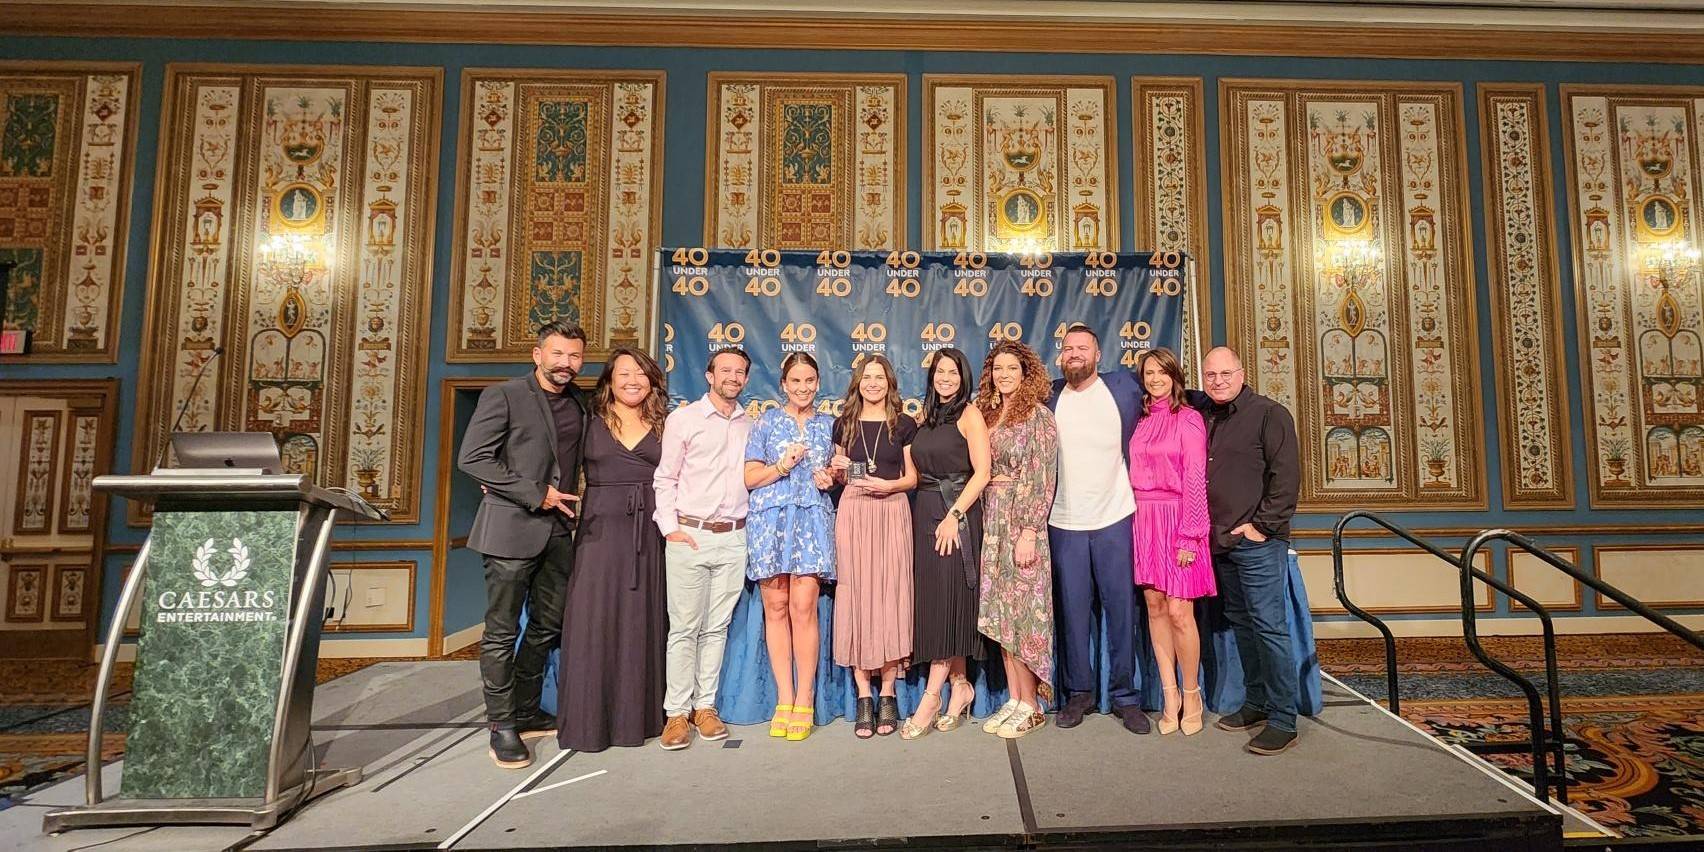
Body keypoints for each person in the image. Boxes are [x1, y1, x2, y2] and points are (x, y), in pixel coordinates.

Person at [457, 320, 589, 769]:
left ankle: (528, 709)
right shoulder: (505, 395)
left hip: (559, 534)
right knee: (501, 631)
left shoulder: (579, 405)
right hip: (511, 530)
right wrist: (536, 493)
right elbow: (473, 458)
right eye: (558, 354)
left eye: (574, 356)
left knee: (546, 628)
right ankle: (501, 725)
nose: (566, 363)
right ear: (538, 355)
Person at [557, 347, 668, 752]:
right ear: (609, 381)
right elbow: (551, 460)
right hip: (599, 531)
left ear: (652, 380)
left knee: (643, 619)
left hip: (651, 530)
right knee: (594, 618)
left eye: (640, 373)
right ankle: (590, 722)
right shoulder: (587, 419)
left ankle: (638, 719)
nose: (633, 380)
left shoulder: (665, 424)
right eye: (624, 373)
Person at [1047, 324, 1150, 735]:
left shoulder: (1123, 387)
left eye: (1082, 348)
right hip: (1063, 522)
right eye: (1068, 348)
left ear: (1098, 355)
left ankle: (1126, 696)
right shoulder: (1048, 395)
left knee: (1122, 610)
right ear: (1060, 356)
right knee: (1072, 614)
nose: (1074, 354)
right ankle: (1079, 694)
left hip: (1114, 517)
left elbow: (1173, 396)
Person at [1200, 346, 1302, 755]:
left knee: (1270, 628)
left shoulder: (1268, 414)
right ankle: (1256, 702)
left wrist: (1261, 527)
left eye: (1226, 373)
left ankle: (1283, 718)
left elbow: (1286, 476)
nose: (1219, 381)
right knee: (1242, 624)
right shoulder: (1204, 414)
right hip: (1219, 542)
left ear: (1242, 374)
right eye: (1211, 375)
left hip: (1256, 543)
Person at [653, 347, 754, 750]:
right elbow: (665, 478)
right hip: (689, 536)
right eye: (725, 370)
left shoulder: (752, 423)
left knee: (717, 628)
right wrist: (670, 530)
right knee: (684, 629)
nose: (733, 376)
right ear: (709, 375)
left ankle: (705, 707)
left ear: (746, 380)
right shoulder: (684, 419)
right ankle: (676, 713)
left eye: (740, 372)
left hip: (734, 537)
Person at [743, 352, 836, 742]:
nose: (802, 388)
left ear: (818, 383)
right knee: (776, 606)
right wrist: (781, 466)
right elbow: (750, 478)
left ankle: (806, 695)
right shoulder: (764, 423)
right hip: (769, 522)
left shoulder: (831, 425)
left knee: (803, 607)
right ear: (783, 384)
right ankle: (784, 697)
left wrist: (830, 476)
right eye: (795, 381)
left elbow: (838, 471)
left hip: (812, 520)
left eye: (809, 380)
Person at [901, 348, 991, 739]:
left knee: (950, 600)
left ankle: (931, 695)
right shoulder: (926, 417)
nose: (946, 379)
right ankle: (961, 686)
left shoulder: (970, 415)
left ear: (963, 376)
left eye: (953, 372)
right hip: (925, 514)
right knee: (940, 602)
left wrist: (955, 516)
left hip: (957, 517)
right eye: (940, 372)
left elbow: (983, 472)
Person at [830, 354, 918, 739]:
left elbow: (912, 478)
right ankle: (863, 694)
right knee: (857, 596)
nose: (873, 383)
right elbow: (838, 474)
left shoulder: (905, 424)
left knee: (889, 596)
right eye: (867, 377)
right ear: (857, 382)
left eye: (879, 377)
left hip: (891, 511)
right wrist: (833, 470)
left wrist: (889, 486)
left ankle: (888, 691)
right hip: (853, 512)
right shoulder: (843, 424)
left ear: (889, 383)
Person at [1129, 348, 1216, 736]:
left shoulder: (1190, 419)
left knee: (1182, 613)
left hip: (1180, 520)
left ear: (1174, 376)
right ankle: (1169, 696)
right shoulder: (1142, 420)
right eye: (1148, 372)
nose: (1154, 378)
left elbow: (1196, 478)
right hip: (1144, 520)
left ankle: (1192, 692)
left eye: (1161, 372)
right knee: (1155, 607)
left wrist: (1191, 534)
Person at [975, 340, 1059, 739]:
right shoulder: (989, 414)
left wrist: (1028, 529)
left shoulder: (1038, 416)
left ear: (1026, 374)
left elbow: (1042, 476)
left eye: (1012, 368)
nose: (1004, 375)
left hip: (1021, 522)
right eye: (998, 368)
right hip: (992, 521)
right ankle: (1014, 697)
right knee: (1003, 615)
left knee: (1025, 613)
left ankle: (1032, 704)